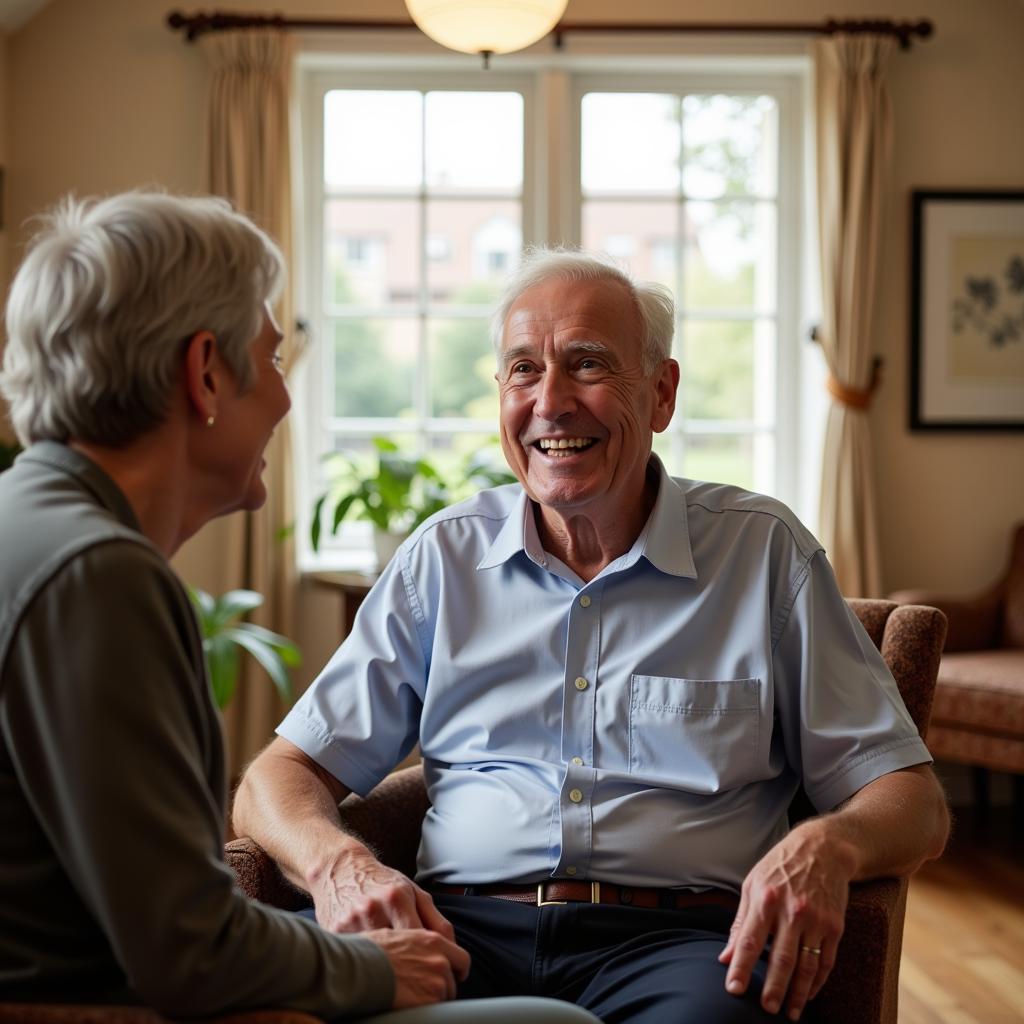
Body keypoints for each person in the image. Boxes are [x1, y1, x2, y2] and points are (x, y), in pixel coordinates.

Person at [233, 249, 950, 1024]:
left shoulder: (764, 556)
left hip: (678, 944)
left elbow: (912, 799)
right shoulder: (442, 560)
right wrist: (338, 864)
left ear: (662, 392)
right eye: (522, 370)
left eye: (587, 365)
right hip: (456, 932)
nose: (551, 402)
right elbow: (277, 776)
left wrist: (828, 848)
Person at [0, 194, 598, 1024]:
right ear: (204, 372)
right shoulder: (99, 575)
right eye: (275, 359)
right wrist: (372, 967)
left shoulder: (29, 527)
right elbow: (190, 949)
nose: (284, 400)